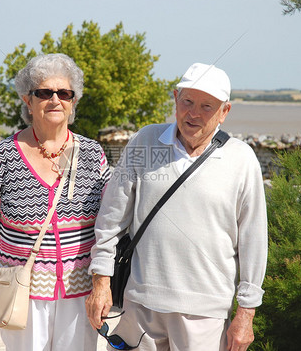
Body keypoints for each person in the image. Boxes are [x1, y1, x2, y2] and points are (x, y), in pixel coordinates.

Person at [86, 63, 268, 351]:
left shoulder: (242, 160)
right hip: (140, 305)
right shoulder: (145, 141)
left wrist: (246, 313)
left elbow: (254, 242)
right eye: (187, 101)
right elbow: (111, 218)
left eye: (207, 106)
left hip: (205, 313)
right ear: (175, 98)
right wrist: (101, 282)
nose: (193, 113)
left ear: (225, 111)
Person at [0, 53, 111, 350]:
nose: (55, 100)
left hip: (79, 291)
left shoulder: (92, 154)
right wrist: (17, 252)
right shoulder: (4, 155)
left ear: (73, 101)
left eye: (64, 93)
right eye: (44, 92)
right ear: (28, 100)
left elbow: (110, 220)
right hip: (23, 291)